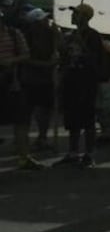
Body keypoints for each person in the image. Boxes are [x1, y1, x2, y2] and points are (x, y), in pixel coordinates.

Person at [55, 4, 104, 168]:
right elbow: (64, 57)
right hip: (71, 80)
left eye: (76, 14)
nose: (73, 16)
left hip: (87, 82)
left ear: (85, 17)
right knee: (72, 118)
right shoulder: (71, 35)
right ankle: (73, 152)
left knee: (88, 119)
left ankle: (89, 154)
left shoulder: (93, 35)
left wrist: (81, 42)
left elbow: (95, 58)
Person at [19, 8, 60, 153]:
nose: (47, 21)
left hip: (46, 78)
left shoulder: (51, 34)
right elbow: (25, 59)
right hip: (31, 78)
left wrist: (56, 35)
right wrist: (46, 65)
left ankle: (42, 138)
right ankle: (23, 142)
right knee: (29, 111)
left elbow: (58, 49)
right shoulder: (27, 36)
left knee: (45, 109)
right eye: (43, 19)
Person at [1, 7, 37, 170]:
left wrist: (11, 61)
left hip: (13, 84)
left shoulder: (14, 34)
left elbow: (26, 54)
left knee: (21, 122)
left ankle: (24, 157)